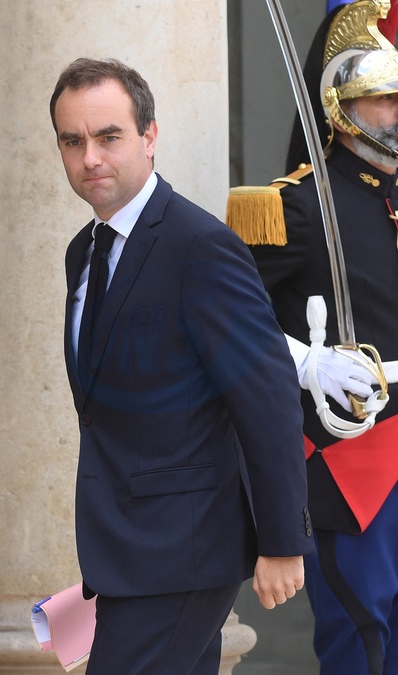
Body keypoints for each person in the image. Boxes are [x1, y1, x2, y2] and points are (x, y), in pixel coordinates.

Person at [49, 57, 314, 674]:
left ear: (149, 135)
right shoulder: (83, 252)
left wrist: (282, 541)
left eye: (109, 136)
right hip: (125, 549)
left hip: (185, 551)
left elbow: (267, 393)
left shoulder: (201, 246)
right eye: (72, 141)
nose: (90, 157)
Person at [229, 2, 398, 673]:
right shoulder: (294, 207)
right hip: (351, 455)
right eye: (384, 98)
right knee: (364, 634)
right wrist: (305, 362)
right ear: (341, 104)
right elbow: (224, 317)